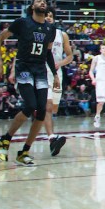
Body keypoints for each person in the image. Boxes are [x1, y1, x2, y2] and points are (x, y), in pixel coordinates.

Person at [0, 0, 58, 166]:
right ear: (32, 7)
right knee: (30, 106)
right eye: (38, 1)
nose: (42, 2)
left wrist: (55, 74)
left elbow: (49, 54)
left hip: (40, 70)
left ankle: (24, 151)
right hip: (24, 68)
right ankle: (5, 139)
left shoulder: (51, 28)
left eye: (44, 1)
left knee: (42, 111)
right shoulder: (22, 23)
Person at [43, 11, 73, 155]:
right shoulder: (37, 33)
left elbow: (70, 56)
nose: (48, 17)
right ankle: (52, 139)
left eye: (50, 15)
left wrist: (59, 63)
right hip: (42, 73)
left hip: (56, 75)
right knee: (47, 107)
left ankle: (47, 128)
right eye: (45, 15)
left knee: (54, 108)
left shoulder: (62, 35)